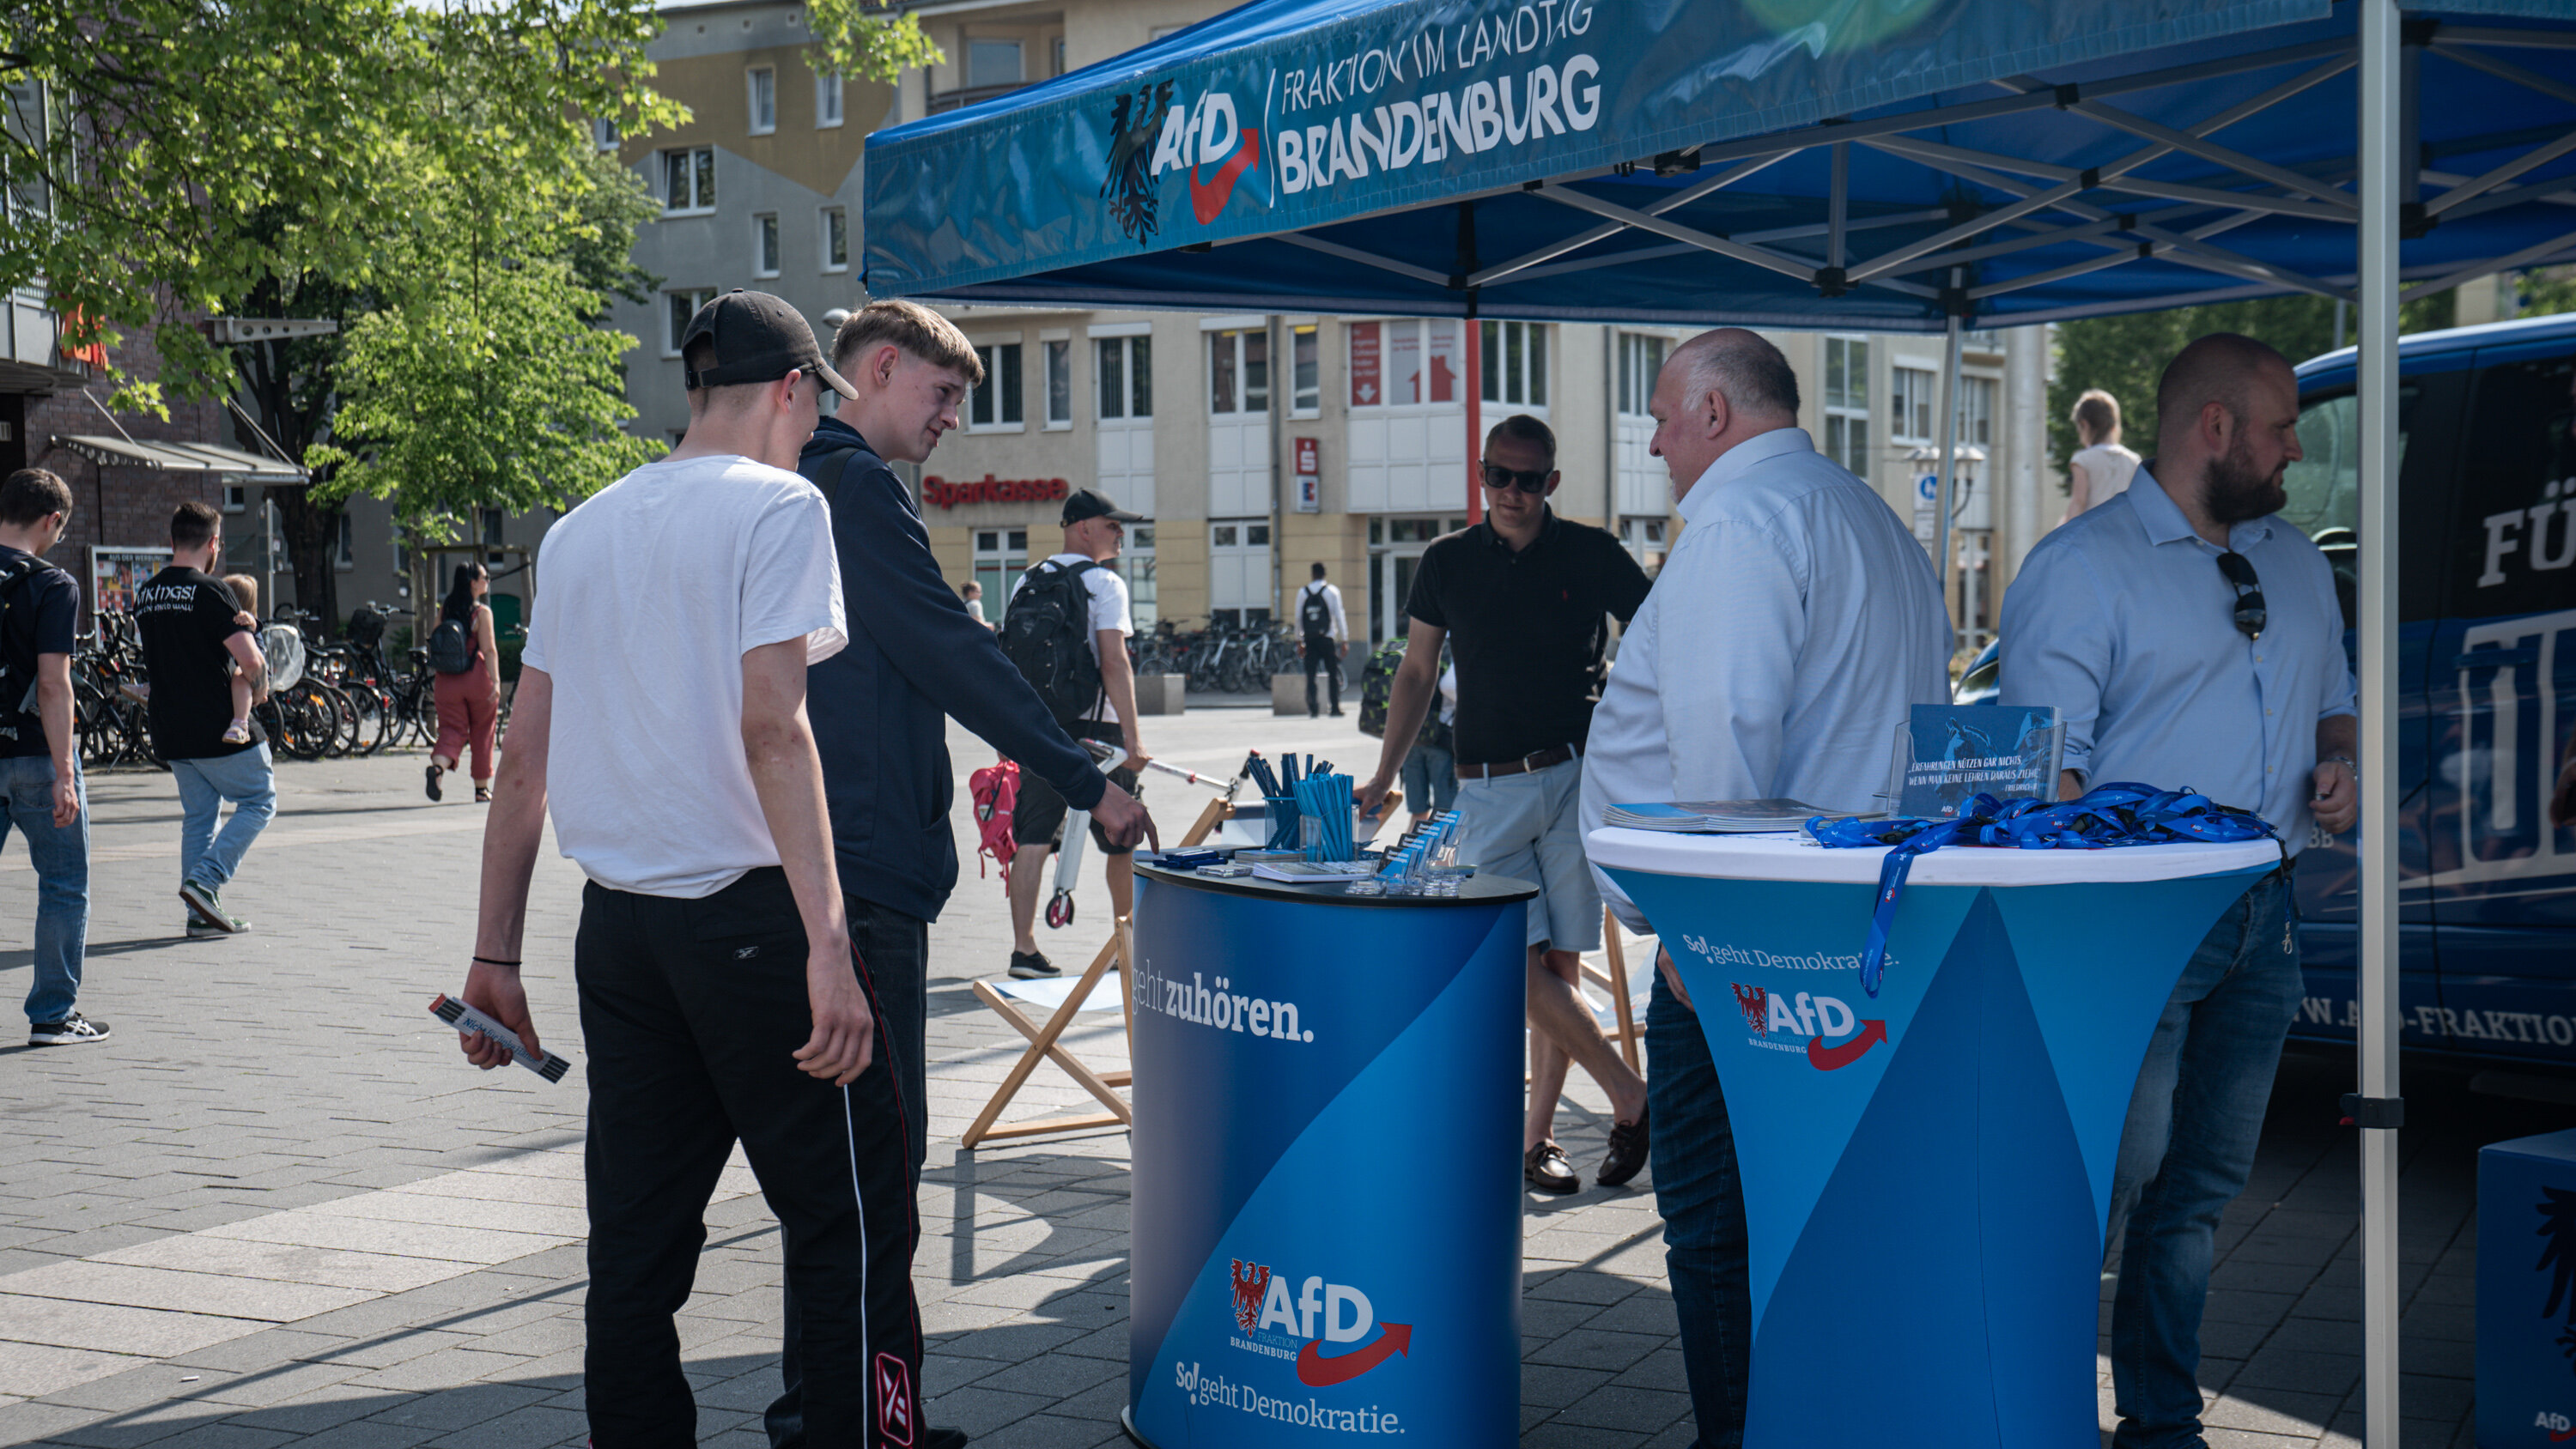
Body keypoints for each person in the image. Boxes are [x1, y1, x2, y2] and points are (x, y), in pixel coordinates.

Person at [456, 289, 927, 1449]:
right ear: (793, 390)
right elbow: (777, 729)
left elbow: (523, 762)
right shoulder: (782, 508)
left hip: (620, 935)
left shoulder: (580, 529)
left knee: (636, 1246)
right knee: (847, 1226)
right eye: (819, 396)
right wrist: (829, 944)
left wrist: (491, 958)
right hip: (756, 923)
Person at [1578, 330, 1953, 1448]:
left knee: (1713, 1226)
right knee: (1816, 1215)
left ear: (1711, 410)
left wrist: (1704, 929)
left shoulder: (1743, 522)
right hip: (1859, 924)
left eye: (1658, 413)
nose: (1650, 439)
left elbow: (1720, 741)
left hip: (1744, 948)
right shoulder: (1871, 515)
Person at [794, 299, 1150, 1449]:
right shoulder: (855, 492)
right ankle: (877, 1429)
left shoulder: (777, 484)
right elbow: (957, 659)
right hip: (868, 882)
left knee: (823, 1183)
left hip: (784, 877)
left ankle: (820, 1413)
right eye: (944, 396)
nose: (953, 420)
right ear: (879, 368)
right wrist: (1087, 780)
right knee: (875, 1182)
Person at [2000, 332, 2360, 1449]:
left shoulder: (2297, 560)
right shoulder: (2082, 569)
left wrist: (2337, 764)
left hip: (2266, 908)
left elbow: (2333, 698)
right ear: (2216, 429)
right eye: (2283, 426)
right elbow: (2045, 767)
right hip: (2133, 926)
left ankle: (2158, 1423)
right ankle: (2036, 1410)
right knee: (2110, 1181)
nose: (2298, 448)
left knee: (2197, 1188)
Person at [1358, 413, 1654, 1197]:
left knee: (1559, 963)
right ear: (1481, 474)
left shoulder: (1591, 553)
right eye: (1499, 475)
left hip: (1575, 778)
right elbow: (1417, 673)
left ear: (1551, 482)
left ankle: (1538, 1140)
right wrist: (1387, 770)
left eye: (1529, 479)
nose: (1513, 491)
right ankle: (1630, 1093)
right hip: (1485, 785)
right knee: (1505, 964)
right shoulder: (1447, 560)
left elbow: (1662, 637)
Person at [1003, 488, 1152, 980]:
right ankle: (1124, 945)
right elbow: (1114, 661)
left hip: (1040, 729)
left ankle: (1024, 949)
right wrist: (1133, 739)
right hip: (1098, 731)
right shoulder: (1103, 583)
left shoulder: (1028, 579)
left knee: (1033, 837)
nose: (1121, 533)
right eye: (1112, 525)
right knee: (1122, 838)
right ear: (1082, 527)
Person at [136, 501, 271, 937]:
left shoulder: (148, 593)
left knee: (199, 816)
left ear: (172, 540)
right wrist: (262, 685)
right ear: (214, 543)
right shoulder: (212, 591)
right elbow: (248, 660)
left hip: (170, 730)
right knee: (259, 800)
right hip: (217, 726)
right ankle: (206, 881)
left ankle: (200, 917)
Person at [1, 470, 101, 1045]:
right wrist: (66, 772)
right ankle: (52, 1016)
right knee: (63, 884)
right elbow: (53, 684)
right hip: (39, 755)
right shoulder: (54, 584)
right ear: (52, 521)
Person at [426, 561, 502, 803]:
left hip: (446, 681)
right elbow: (489, 650)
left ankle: (438, 768)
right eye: (484, 577)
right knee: (483, 730)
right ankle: (481, 790)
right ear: (473, 582)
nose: (487, 581)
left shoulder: (445, 608)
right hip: (476, 678)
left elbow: (436, 638)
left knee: (450, 728)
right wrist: (496, 681)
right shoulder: (482, 613)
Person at [2062, 386, 2143, 524]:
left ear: (2084, 424)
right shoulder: (2134, 460)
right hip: (2123, 532)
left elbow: (2078, 502)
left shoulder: (2082, 460)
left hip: (2093, 534)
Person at [1398, 652, 1457, 834]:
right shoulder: (1453, 648)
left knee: (1418, 813)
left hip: (1412, 738)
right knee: (1444, 814)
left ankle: (1407, 860)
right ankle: (1440, 861)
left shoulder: (1416, 648)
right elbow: (1452, 687)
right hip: (1440, 740)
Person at [1296, 561, 1348, 717]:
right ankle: (1335, 708)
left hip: (1310, 640)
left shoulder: (1303, 592)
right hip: (1327, 639)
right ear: (1325, 574)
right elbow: (1340, 616)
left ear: (1312, 574)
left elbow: (1298, 618)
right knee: (1333, 673)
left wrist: (1299, 641)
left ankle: (1313, 709)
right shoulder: (1332, 591)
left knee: (1310, 675)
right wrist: (1344, 639)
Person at [218, 574, 260, 744]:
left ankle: (240, 724)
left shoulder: (243, 620)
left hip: (250, 670)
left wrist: (252, 625)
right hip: (248, 667)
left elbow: (251, 657)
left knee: (240, 676)